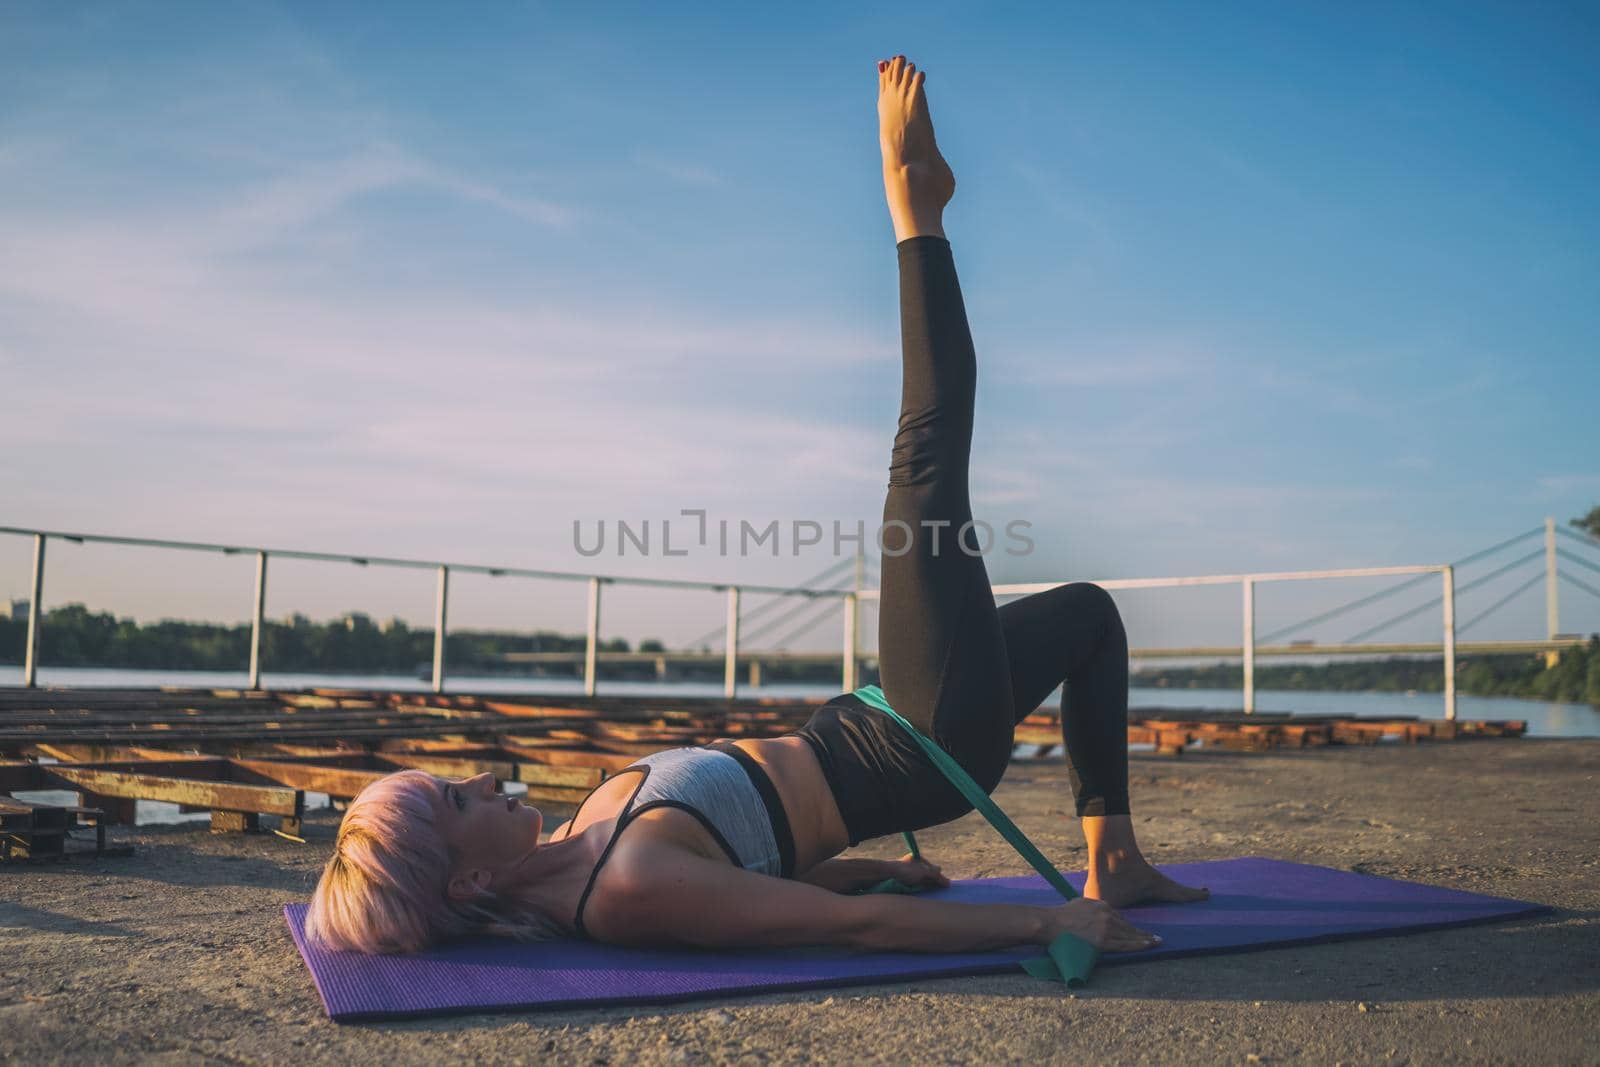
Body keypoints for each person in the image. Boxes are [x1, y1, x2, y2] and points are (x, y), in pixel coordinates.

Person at [306, 54, 1208, 958]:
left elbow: (757, 866)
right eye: (459, 801)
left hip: (882, 718)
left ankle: (1115, 856)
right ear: (469, 880)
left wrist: (846, 867)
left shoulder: (588, 830)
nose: (478, 778)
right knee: (925, 463)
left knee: (1089, 615)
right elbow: (845, 930)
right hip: (922, 742)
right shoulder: (624, 887)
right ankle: (916, 208)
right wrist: (1043, 921)